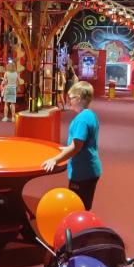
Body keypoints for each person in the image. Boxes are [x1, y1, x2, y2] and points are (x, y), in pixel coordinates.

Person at [42, 81, 102, 210]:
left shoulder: (82, 120)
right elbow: (83, 143)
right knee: (83, 205)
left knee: (78, 207)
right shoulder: (90, 114)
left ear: (78, 98)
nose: (69, 101)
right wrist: (68, 148)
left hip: (83, 172)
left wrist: (55, 160)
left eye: (71, 98)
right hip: (90, 169)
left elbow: (76, 147)